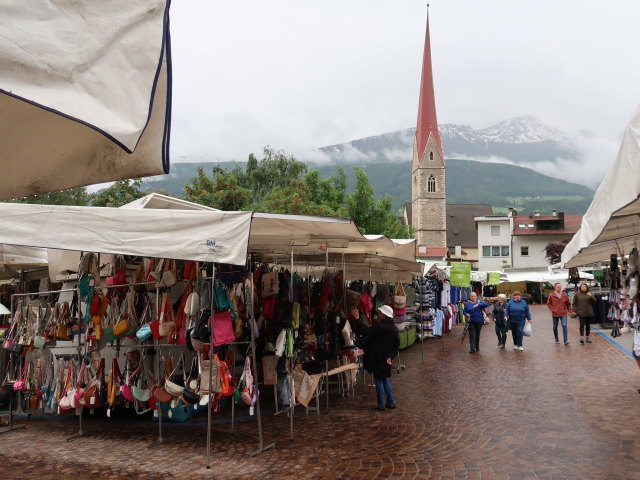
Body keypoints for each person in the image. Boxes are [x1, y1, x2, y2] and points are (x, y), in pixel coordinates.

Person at [351, 304, 399, 411]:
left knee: (378, 378)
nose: (378, 313)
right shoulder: (393, 328)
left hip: (377, 357)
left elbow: (366, 331)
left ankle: (382, 403)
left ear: (384, 315)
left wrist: (358, 319)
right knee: (384, 378)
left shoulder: (380, 326)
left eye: (380, 312)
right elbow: (396, 345)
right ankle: (391, 401)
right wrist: (391, 356)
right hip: (386, 357)